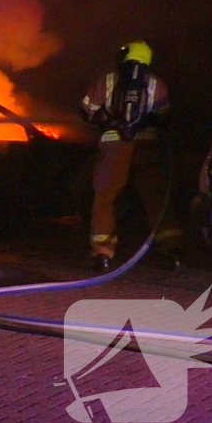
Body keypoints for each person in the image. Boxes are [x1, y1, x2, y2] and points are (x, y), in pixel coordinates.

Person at [80, 39, 182, 272]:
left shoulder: (107, 80)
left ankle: (103, 253)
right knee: (156, 197)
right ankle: (173, 249)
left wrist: (113, 122)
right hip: (147, 149)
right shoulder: (157, 84)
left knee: (106, 198)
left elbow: (86, 110)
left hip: (114, 147)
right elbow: (164, 116)